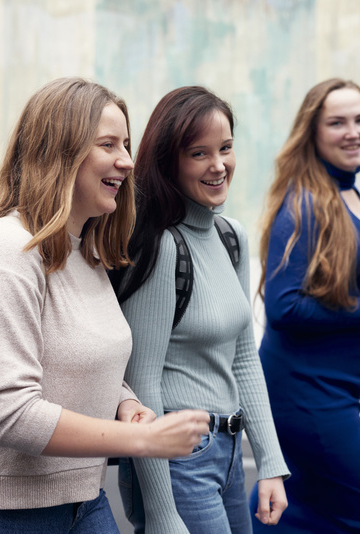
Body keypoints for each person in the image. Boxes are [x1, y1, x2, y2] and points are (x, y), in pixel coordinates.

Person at [0, 77, 210, 534]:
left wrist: (125, 403)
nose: (127, 161)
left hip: (82, 499)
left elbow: (77, 353)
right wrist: (141, 438)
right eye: (108, 144)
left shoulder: (84, 250)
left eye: (127, 144)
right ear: (60, 153)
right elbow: (9, 413)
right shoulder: (6, 250)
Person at [110, 86, 289, 534]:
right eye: (199, 154)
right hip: (179, 458)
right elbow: (142, 379)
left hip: (228, 453)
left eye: (226, 149)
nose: (218, 165)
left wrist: (270, 462)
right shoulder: (164, 245)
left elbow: (245, 356)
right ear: (170, 162)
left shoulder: (232, 237)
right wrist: (163, 513)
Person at [248, 78, 360, 533]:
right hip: (306, 393)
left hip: (334, 388)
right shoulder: (303, 202)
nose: (353, 132)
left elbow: (334, 269)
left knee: (286, 513)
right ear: (313, 132)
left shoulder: (345, 190)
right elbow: (285, 306)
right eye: (337, 122)